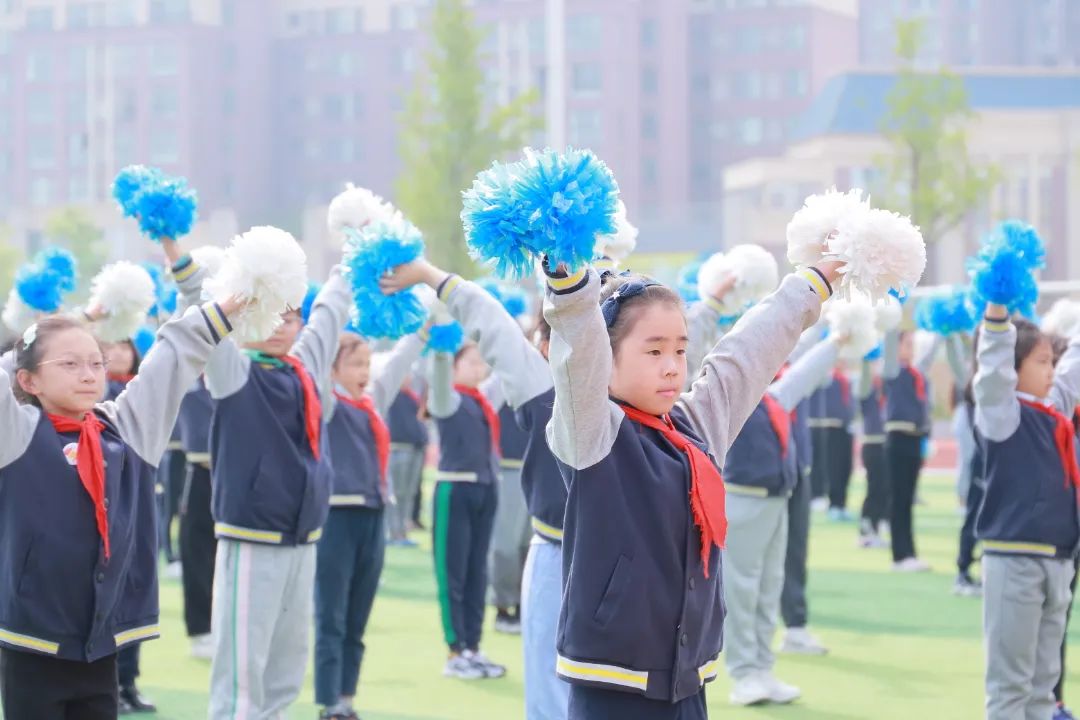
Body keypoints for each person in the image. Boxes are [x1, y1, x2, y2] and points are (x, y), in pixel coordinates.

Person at [540, 256, 838, 719]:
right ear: (606, 358)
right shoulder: (591, 433)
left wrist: (814, 282)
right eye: (654, 351)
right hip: (612, 686)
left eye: (680, 350)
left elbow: (743, 356)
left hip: (687, 679)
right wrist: (568, 282)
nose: (672, 366)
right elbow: (577, 350)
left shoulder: (693, 427)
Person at [0, 296, 238, 718]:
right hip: (32, 642)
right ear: (29, 381)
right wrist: (50, 332)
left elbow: (171, 361)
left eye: (96, 362)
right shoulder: (16, 433)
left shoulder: (126, 429)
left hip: (102, 645)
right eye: (69, 365)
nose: (89, 375)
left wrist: (225, 308)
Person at [170, 245, 351, 719]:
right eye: (270, 315)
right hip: (251, 537)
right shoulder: (234, 371)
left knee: (287, 671)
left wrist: (353, 253)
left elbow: (331, 311)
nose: (281, 325)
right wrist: (180, 258)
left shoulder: (305, 367)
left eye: (290, 316)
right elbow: (199, 304)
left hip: (303, 536)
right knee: (241, 675)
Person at [973, 310, 1080, 720]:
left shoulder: (1053, 412)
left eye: (1052, 361)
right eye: (1041, 362)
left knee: (1042, 689)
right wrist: (998, 321)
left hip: (1058, 560)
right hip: (1014, 561)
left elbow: (1072, 372)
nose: (1051, 370)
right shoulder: (1002, 413)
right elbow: (992, 372)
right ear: (1013, 368)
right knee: (1010, 688)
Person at [722, 334, 839, 705]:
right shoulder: (730, 394)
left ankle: (762, 667)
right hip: (743, 500)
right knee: (741, 589)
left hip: (776, 500)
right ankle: (742, 673)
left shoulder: (772, 396)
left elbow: (804, 372)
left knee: (769, 586)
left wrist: (839, 338)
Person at [314, 330, 424, 719]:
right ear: (331, 369)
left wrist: (424, 329)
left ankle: (346, 698)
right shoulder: (325, 403)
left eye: (365, 363)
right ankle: (328, 703)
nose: (363, 372)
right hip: (337, 519)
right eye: (354, 364)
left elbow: (396, 365)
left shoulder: (371, 401)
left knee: (357, 616)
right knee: (332, 615)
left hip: (373, 517)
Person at [882, 329, 940, 571]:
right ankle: (900, 555)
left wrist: (942, 332)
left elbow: (930, 355)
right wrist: (891, 316)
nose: (911, 348)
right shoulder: (892, 371)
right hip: (898, 437)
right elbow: (888, 339)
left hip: (916, 439)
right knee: (899, 499)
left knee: (908, 499)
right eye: (906, 344)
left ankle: (910, 553)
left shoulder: (917, 373)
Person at [386, 377, 428, 546]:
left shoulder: (411, 396)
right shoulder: (392, 395)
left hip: (415, 448)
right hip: (398, 448)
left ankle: (403, 529)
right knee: (397, 492)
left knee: (409, 493)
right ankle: (394, 532)